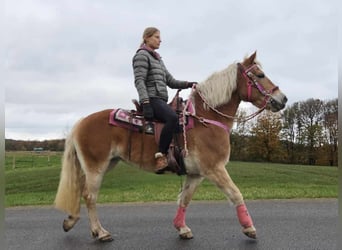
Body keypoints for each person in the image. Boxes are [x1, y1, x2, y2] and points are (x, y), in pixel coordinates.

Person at [132, 27, 196, 173]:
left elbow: (171, 81)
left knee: (180, 118)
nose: (160, 40)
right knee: (172, 118)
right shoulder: (142, 55)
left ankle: (178, 156)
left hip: (160, 99)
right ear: (146, 38)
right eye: (156, 37)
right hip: (151, 99)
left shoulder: (158, 59)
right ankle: (160, 156)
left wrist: (188, 84)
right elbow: (139, 81)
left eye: (159, 37)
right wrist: (146, 102)